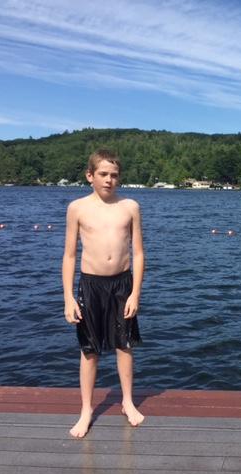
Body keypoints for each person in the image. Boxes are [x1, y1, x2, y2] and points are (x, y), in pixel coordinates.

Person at [62, 149, 145, 438]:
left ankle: (127, 401)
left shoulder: (130, 206)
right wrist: (68, 297)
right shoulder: (77, 208)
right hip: (91, 286)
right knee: (89, 350)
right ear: (90, 176)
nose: (109, 180)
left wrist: (135, 293)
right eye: (103, 174)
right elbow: (69, 255)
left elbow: (138, 253)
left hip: (122, 284)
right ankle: (86, 409)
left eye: (114, 175)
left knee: (124, 345)